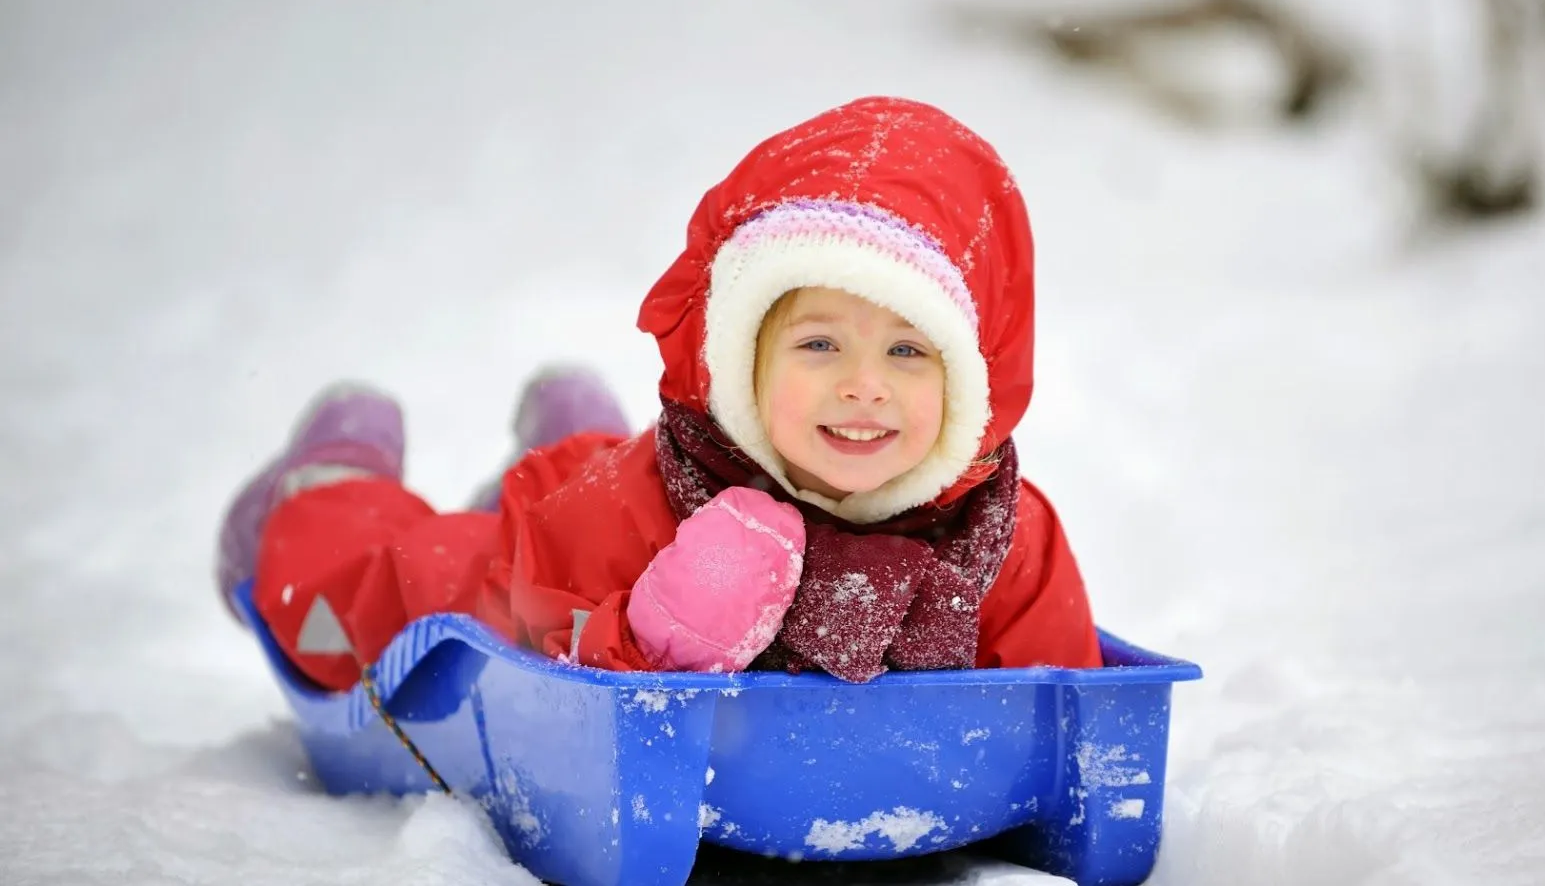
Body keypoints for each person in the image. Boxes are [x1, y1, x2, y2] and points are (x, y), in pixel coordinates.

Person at [219, 96, 1104, 691]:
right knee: (366, 604)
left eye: (910, 350)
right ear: (743, 362)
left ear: (972, 384)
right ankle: (333, 481)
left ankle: (578, 424)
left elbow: (1061, 699)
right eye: (820, 343)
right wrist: (654, 642)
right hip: (534, 545)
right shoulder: (640, 503)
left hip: (593, 491)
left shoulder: (1005, 535)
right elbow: (531, 662)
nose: (863, 386)